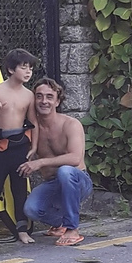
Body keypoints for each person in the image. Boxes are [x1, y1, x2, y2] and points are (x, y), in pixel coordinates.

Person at [17, 77, 92, 246]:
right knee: (31, 209)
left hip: (78, 180)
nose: (44, 101)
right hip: (52, 184)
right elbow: (4, 134)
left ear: (57, 101)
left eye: (49, 97)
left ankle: (72, 229)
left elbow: (75, 158)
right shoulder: (30, 128)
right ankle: (60, 225)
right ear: (33, 99)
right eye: (39, 96)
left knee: (64, 171)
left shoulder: (71, 124)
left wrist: (40, 162)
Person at [0, 49, 39, 246]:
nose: (28, 72)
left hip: (20, 145)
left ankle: (22, 230)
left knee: (19, 188)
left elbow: (34, 123)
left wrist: (33, 148)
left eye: (30, 68)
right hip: (0, 145)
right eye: (23, 67)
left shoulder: (29, 95)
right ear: (11, 69)